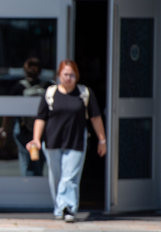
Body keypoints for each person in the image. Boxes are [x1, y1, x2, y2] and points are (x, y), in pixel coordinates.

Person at [26, 59, 106, 223]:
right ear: (59, 75)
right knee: (56, 177)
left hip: (76, 142)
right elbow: (41, 118)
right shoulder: (50, 93)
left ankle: (68, 208)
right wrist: (36, 139)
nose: (68, 78)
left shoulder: (84, 93)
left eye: (72, 75)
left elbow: (95, 118)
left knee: (69, 178)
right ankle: (60, 207)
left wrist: (102, 140)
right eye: (65, 74)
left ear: (77, 76)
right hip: (53, 142)